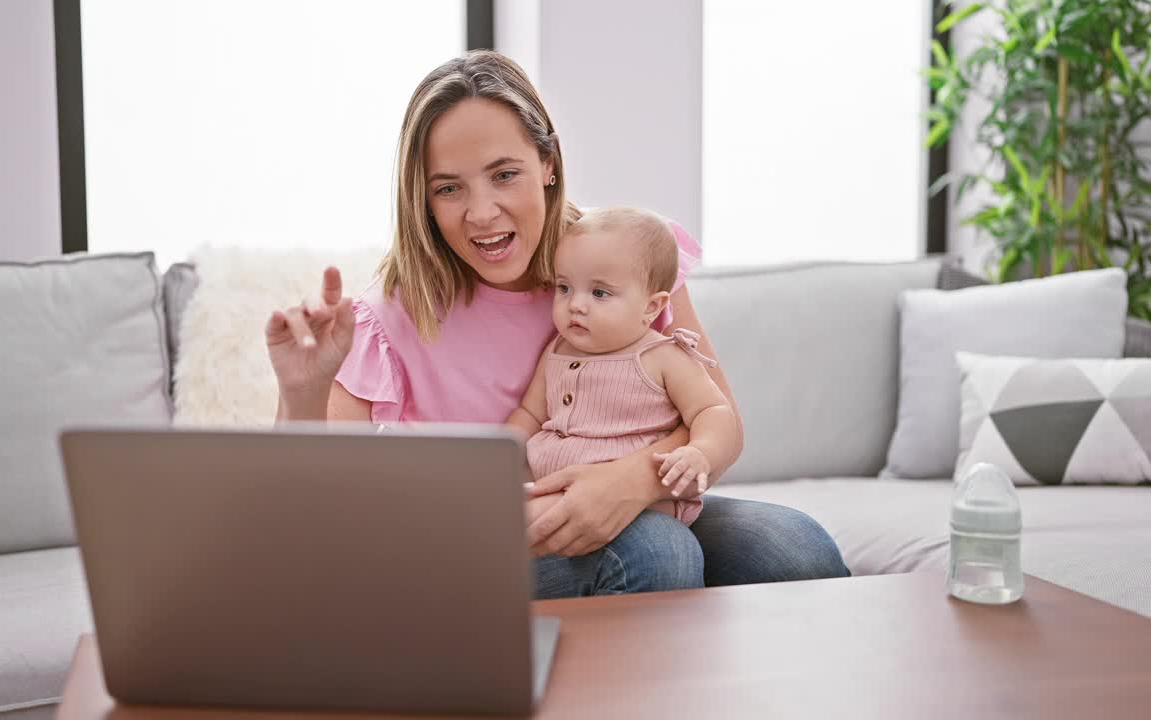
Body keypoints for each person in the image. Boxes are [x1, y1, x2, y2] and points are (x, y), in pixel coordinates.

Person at [266, 50, 849, 598]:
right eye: (449, 188)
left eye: (504, 174)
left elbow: (720, 424)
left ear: (547, 163)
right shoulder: (388, 317)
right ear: (422, 199)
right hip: (479, 549)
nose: (482, 212)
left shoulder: (626, 261)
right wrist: (302, 390)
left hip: (642, 499)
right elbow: (313, 511)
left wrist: (630, 482)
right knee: (657, 550)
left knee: (797, 549)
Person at [510, 207, 732, 530]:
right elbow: (530, 413)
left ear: (651, 306)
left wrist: (702, 451)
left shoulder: (663, 356)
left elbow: (713, 409)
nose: (576, 304)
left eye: (599, 293)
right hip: (554, 492)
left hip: (643, 505)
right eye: (564, 288)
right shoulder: (556, 350)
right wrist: (499, 451)